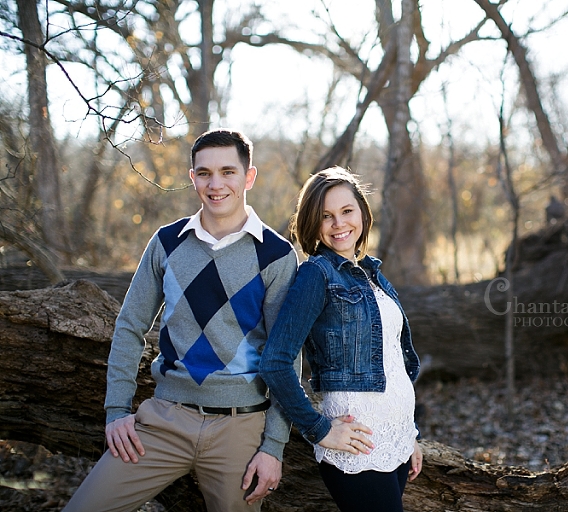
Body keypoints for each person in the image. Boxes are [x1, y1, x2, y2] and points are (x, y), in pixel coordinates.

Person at [64, 129, 299, 512]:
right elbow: (129, 326)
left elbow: (286, 356)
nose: (216, 183)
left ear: (249, 177)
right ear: (192, 177)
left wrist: (273, 446)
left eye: (228, 171)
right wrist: (117, 410)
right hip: (163, 421)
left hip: (239, 429)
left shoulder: (276, 255)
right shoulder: (167, 242)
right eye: (204, 173)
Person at [259, 166, 422, 512]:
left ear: (362, 212)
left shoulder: (371, 273)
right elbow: (274, 362)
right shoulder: (315, 275)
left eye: (346, 211)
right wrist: (317, 429)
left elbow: (393, 358)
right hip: (356, 447)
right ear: (313, 224)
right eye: (326, 216)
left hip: (396, 440)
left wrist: (409, 435)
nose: (339, 224)